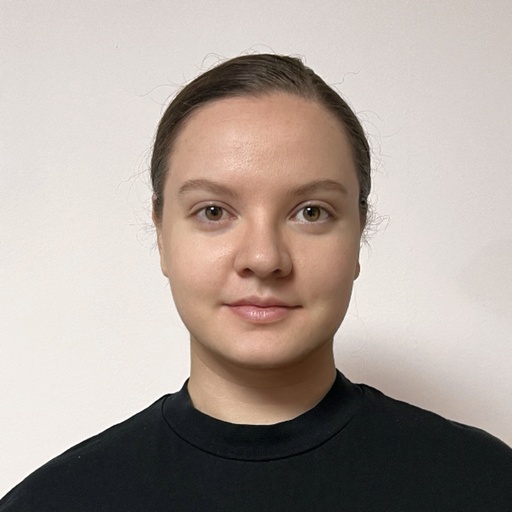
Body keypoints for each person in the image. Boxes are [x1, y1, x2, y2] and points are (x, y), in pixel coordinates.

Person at [1, 54, 511, 511]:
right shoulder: (51, 502)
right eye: (214, 211)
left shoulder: (488, 485)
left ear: (358, 233)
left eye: (311, 212)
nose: (264, 258)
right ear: (161, 234)